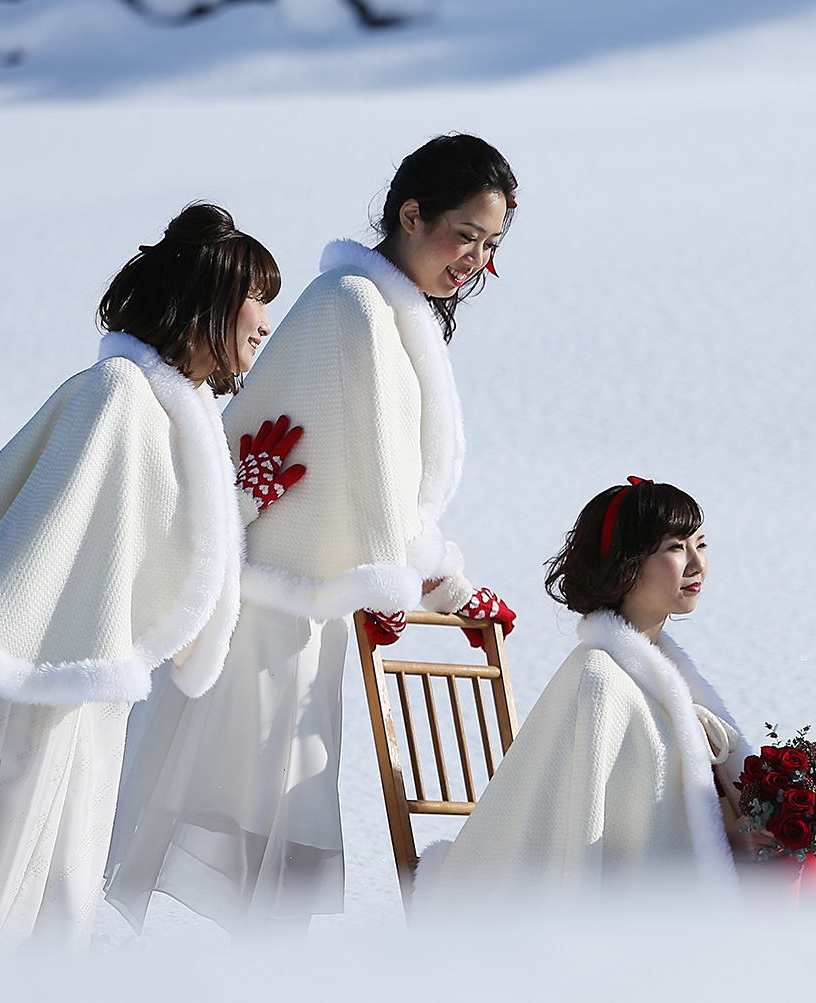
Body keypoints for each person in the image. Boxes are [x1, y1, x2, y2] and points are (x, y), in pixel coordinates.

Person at [0, 204, 298, 952]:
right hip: (23, 680)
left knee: (42, 895)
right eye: (254, 295)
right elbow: (41, 522)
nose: (266, 319)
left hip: (79, 689)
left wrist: (238, 502)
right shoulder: (115, 393)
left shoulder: (172, 409)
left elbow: (144, 535)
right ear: (206, 298)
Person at [105, 134, 521, 936]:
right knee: (254, 834)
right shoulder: (353, 310)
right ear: (411, 213)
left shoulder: (382, 314)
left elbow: (380, 494)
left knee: (272, 836)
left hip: (303, 613)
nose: (474, 258)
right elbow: (371, 486)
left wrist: (444, 586)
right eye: (463, 233)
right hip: (267, 615)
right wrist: (418, 583)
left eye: (490, 244)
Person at [416, 478, 816, 911]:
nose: (697, 563)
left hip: (716, 893)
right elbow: (606, 844)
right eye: (675, 547)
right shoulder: (598, 679)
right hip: (658, 919)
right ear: (627, 563)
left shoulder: (669, 675)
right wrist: (731, 844)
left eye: (701, 544)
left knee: (814, 877)